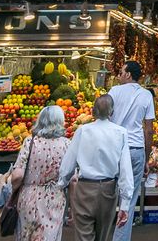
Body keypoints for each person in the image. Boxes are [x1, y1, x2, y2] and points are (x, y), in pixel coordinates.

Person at [58, 94, 134, 241]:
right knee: (103, 236)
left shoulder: (82, 131)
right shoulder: (121, 133)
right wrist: (125, 204)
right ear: (112, 112)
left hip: (85, 189)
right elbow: (125, 170)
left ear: (93, 112)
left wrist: (61, 184)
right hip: (108, 190)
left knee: (83, 236)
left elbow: (68, 163)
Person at [109, 59, 155, 240]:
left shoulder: (113, 92)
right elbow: (149, 129)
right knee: (128, 199)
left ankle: (103, 233)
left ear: (128, 74)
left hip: (114, 149)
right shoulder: (146, 95)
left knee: (109, 194)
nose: (119, 75)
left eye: (121, 72)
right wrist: (146, 157)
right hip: (135, 149)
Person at [11, 105, 70, 241]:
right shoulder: (67, 144)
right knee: (50, 235)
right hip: (54, 198)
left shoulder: (29, 142)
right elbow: (73, 179)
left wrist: (14, 190)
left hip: (29, 196)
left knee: (26, 236)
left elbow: (18, 175)